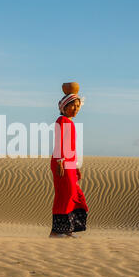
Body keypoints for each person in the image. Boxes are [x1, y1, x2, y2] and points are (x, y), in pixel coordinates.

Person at [50, 93, 89, 238]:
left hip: (70, 164)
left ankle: (67, 229)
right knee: (65, 195)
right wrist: (60, 161)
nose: (76, 108)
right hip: (61, 163)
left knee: (73, 194)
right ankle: (57, 231)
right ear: (64, 106)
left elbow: (71, 147)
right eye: (73, 105)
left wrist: (76, 166)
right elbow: (59, 141)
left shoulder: (70, 122)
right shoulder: (62, 120)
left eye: (78, 106)